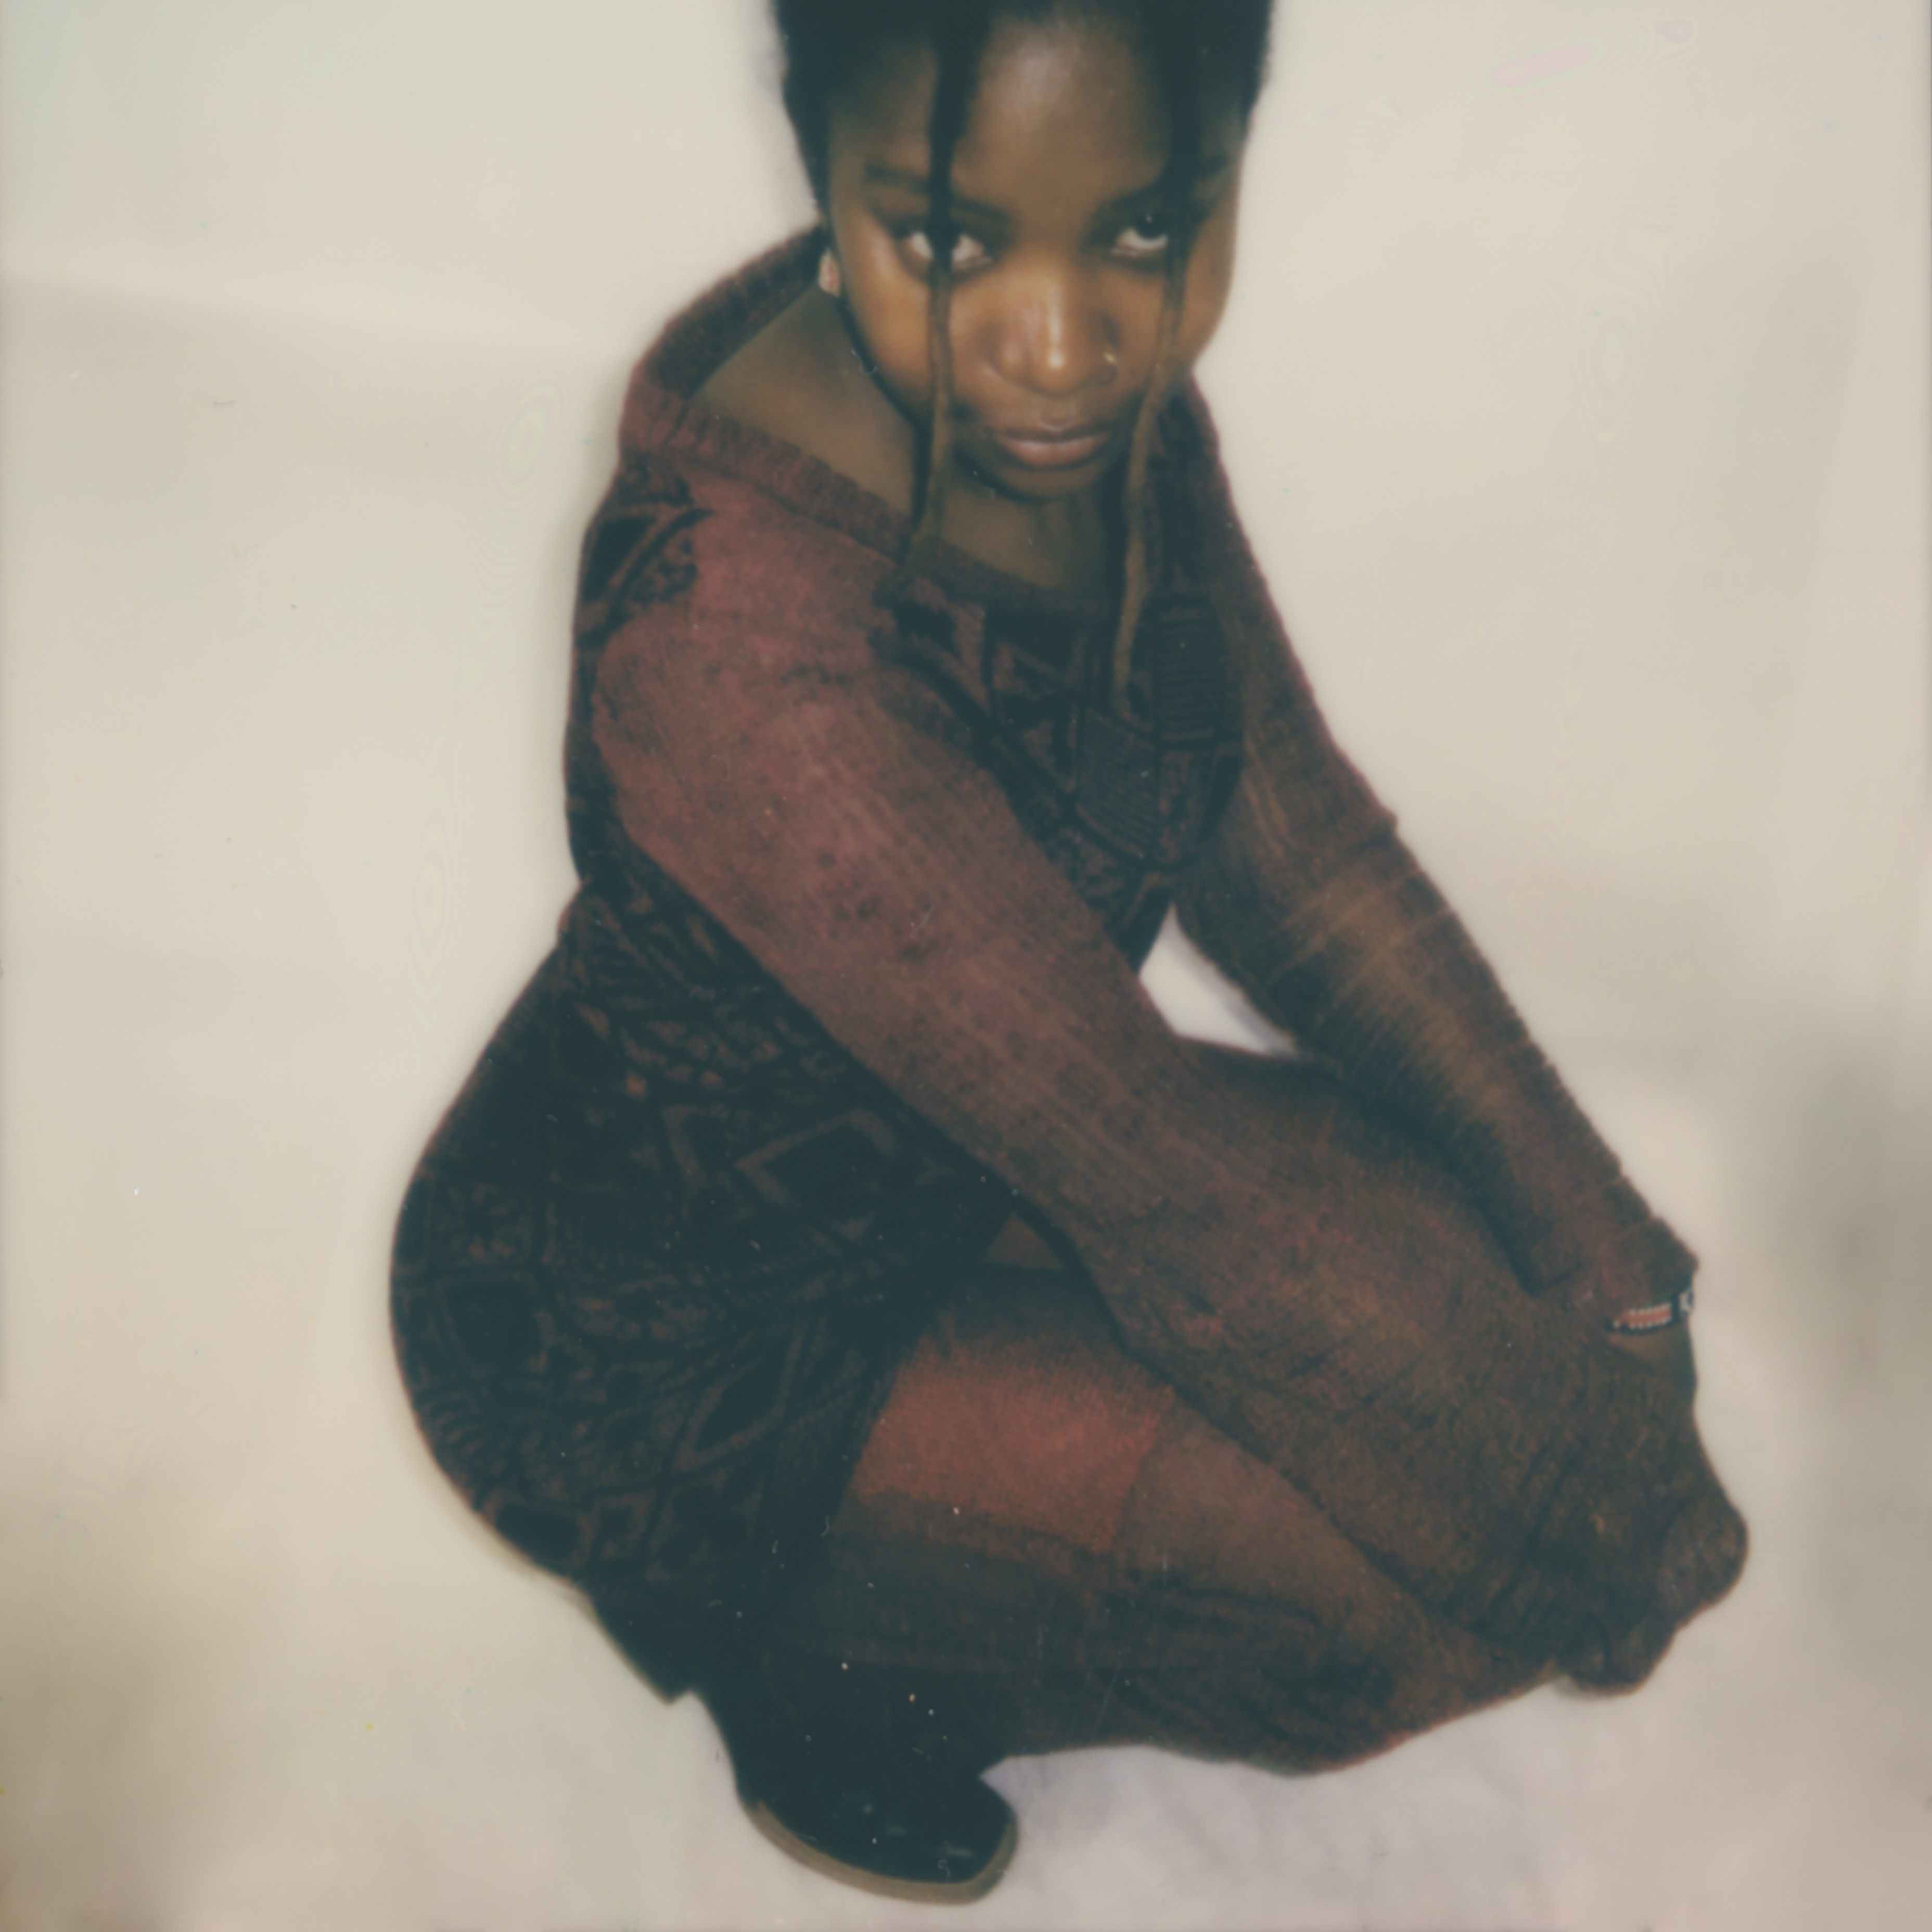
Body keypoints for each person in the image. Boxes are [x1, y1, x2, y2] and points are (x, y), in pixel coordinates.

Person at [391, 0, 1746, 1904]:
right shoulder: (740, 643)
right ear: (822, 174)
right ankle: (818, 1689)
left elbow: (1303, 859)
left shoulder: (1102, 427)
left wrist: (1609, 1277)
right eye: (947, 240)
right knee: (1385, 1607)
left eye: (1144, 226)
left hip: (950, 1182)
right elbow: (1160, 1180)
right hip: (654, 1363)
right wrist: (1611, 1536)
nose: (1059, 341)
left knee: (1472, 1284)